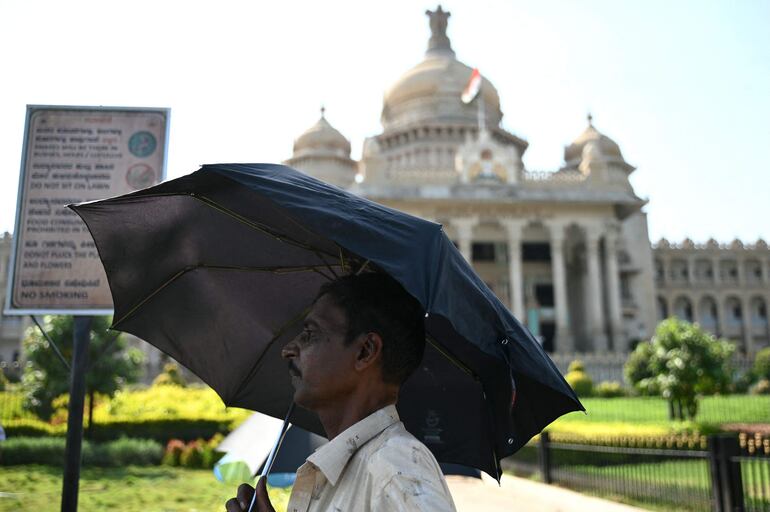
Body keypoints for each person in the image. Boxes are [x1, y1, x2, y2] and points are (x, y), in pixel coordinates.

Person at [225, 272, 457, 512]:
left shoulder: (395, 468)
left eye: (310, 335)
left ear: (365, 351)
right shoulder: (356, 467)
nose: (288, 350)